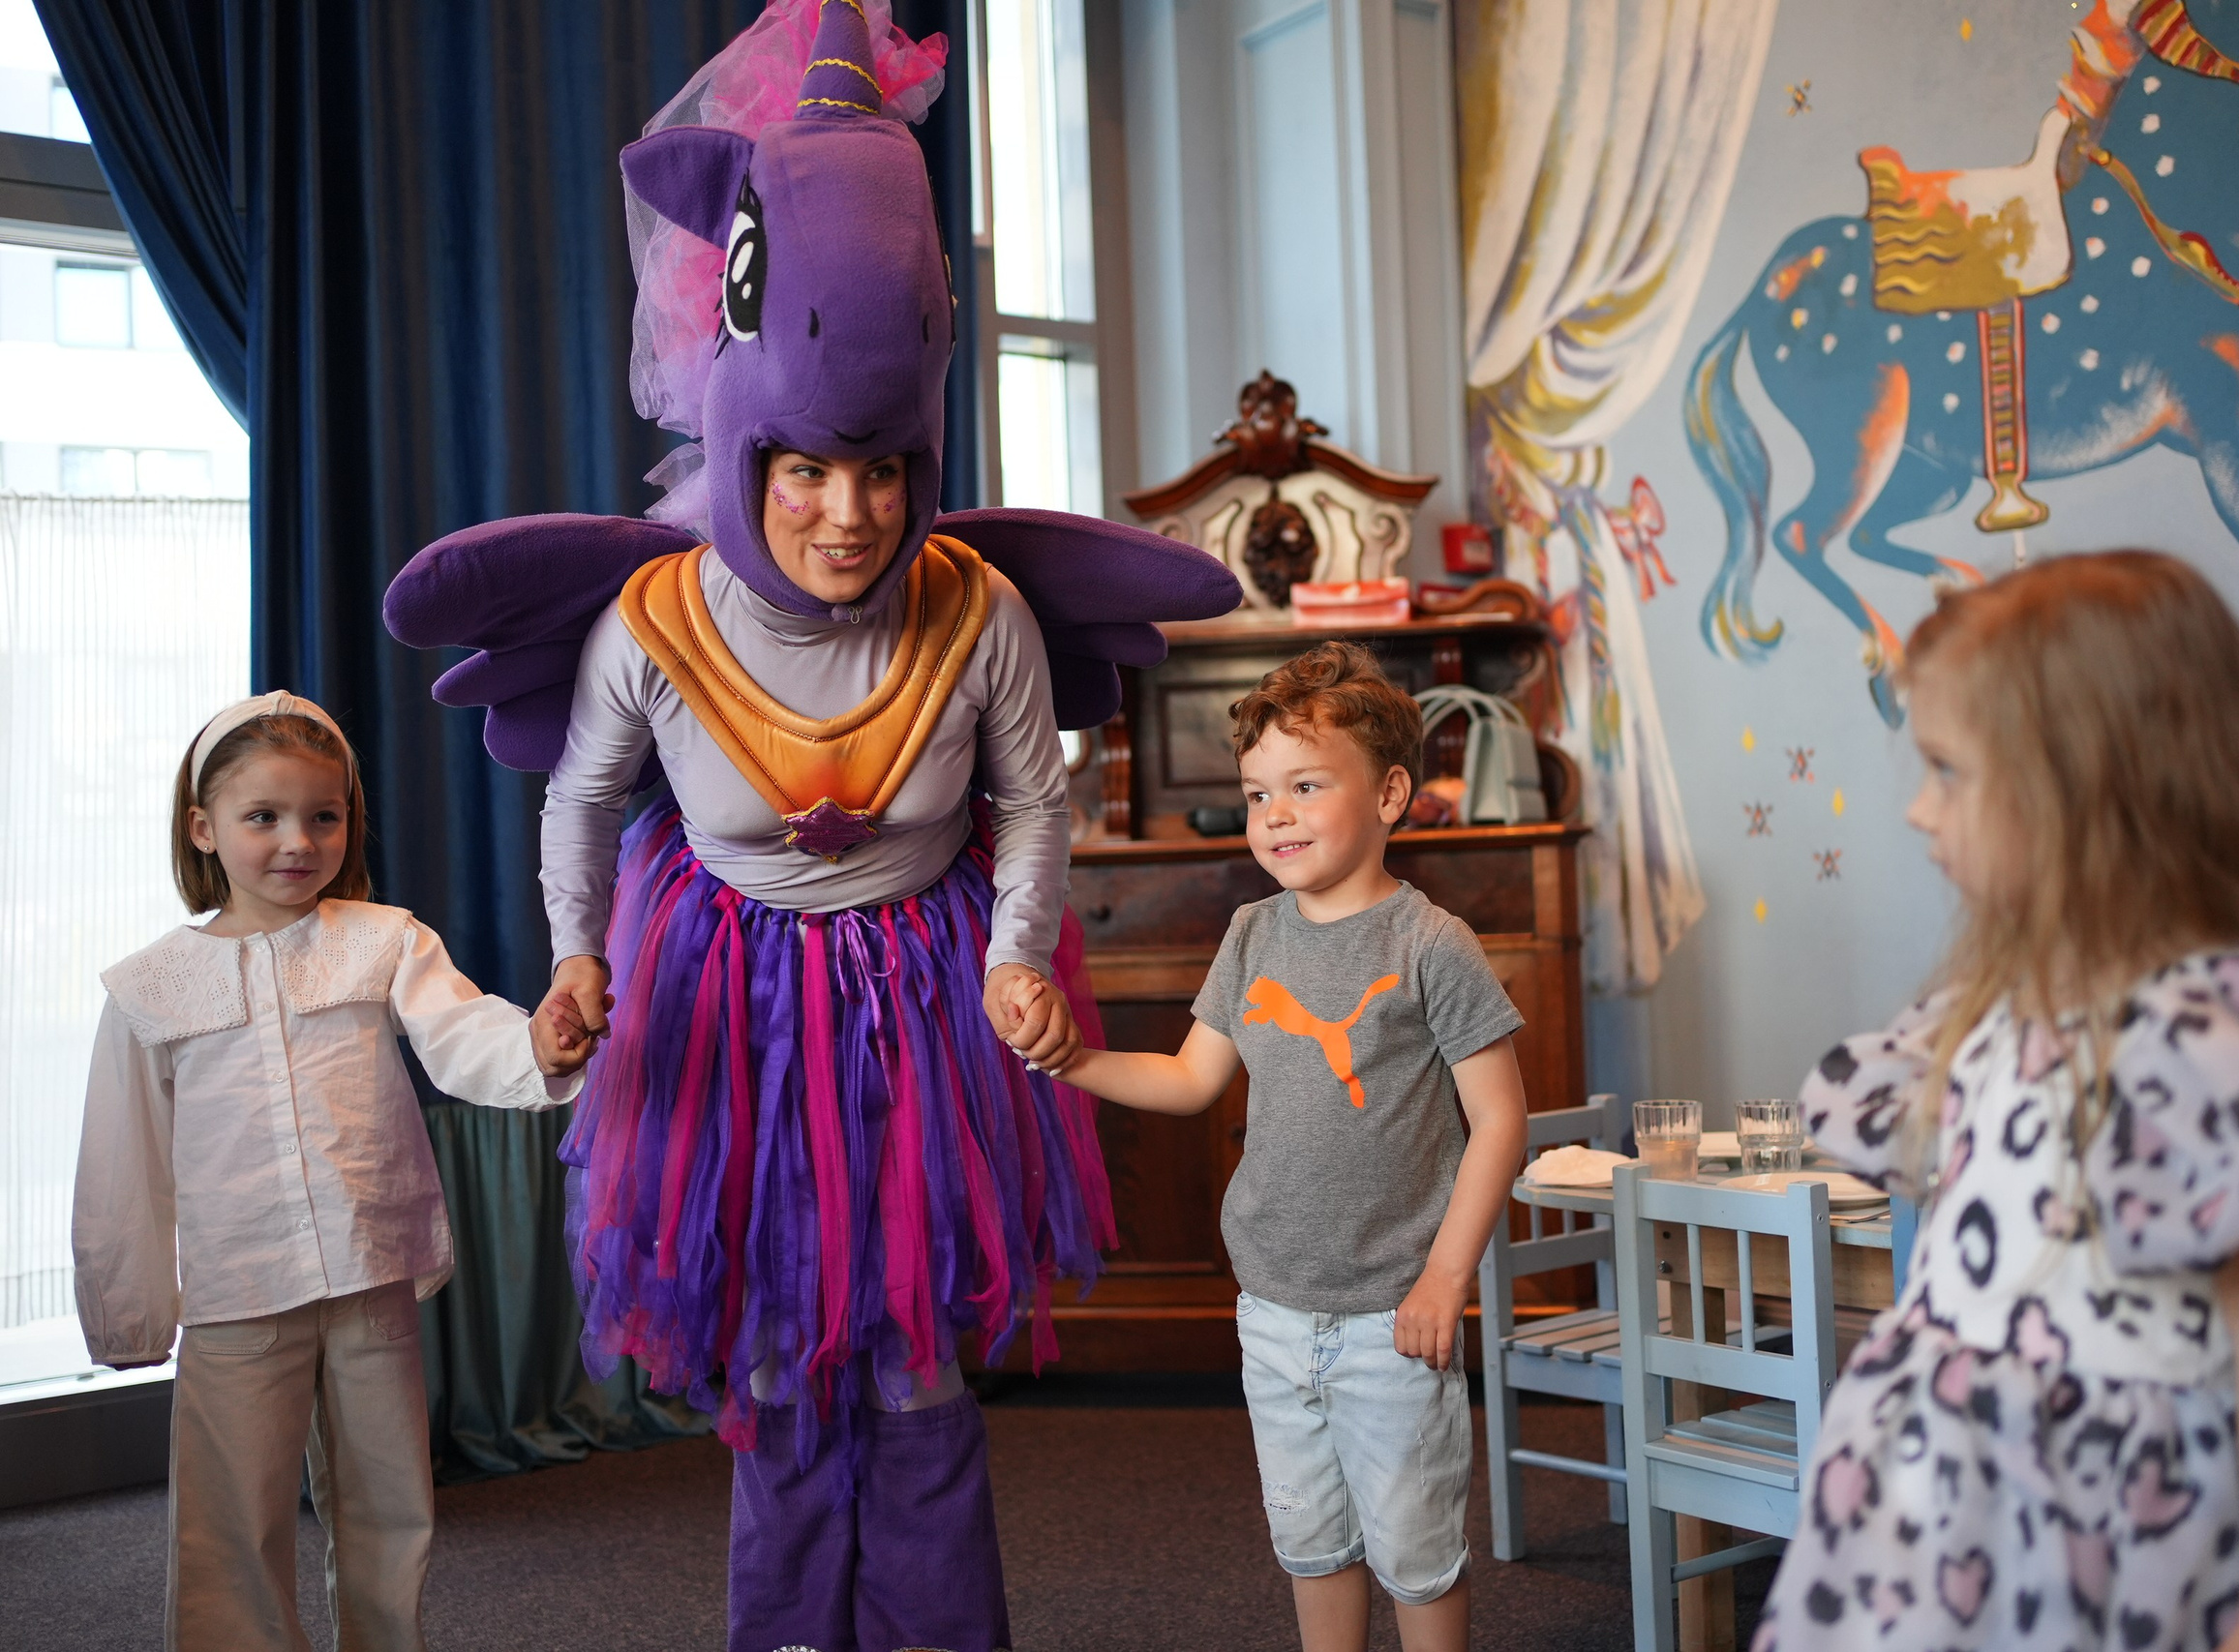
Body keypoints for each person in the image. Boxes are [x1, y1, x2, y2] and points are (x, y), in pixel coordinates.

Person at [377, 4, 1235, 1645]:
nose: (847, 515)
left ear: (921, 460)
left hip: (923, 1002)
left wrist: (1013, 952)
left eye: (882, 476)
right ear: (751, 449)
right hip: (723, 1008)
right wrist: (571, 958)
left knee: (914, 1360)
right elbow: (585, 797)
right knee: (778, 1362)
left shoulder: (977, 607)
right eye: (805, 476)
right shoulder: (653, 619)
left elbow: (1032, 799)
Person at [1751, 551, 2239, 1651]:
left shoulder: (2227, 1054)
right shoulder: (1993, 1012)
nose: (1915, 809)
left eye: (1946, 772)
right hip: (1949, 1542)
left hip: (2131, 1550)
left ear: (2087, 790)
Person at [73, 692, 594, 1651]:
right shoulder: (147, 988)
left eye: (324, 815)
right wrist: (129, 1310)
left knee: (389, 1506)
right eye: (261, 817)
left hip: (370, 1274)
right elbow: (122, 1165)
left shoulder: (383, 940)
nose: (296, 842)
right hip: (238, 1292)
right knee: (231, 1522)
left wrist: (541, 1047)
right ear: (203, 827)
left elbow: (463, 1032)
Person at [1049, 642, 1529, 1652]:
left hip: (1393, 1314)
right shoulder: (1252, 935)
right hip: (1270, 1306)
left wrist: (1447, 1279)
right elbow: (1188, 1080)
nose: (1275, 815)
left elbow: (1500, 1120)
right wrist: (1076, 1058)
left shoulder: (1429, 943)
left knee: (1414, 1551)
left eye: (1305, 787)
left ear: (1390, 792)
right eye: (1258, 792)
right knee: (1311, 1542)